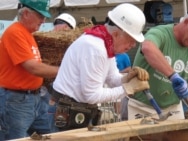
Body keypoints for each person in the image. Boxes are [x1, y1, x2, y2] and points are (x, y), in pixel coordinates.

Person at [51, 3, 150, 131]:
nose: (132, 45)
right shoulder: (95, 48)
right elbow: (92, 96)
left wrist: (127, 78)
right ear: (115, 34)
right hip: (67, 110)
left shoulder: (105, 42)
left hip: (74, 107)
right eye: (131, 40)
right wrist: (128, 88)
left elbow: (112, 78)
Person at [128, 2, 188, 122]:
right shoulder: (160, 33)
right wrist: (173, 76)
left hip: (173, 109)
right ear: (187, 22)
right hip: (141, 107)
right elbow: (148, 48)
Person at [0, 0, 59, 140]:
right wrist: (64, 70)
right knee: (16, 138)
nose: (43, 21)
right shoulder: (15, 32)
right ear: (26, 13)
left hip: (32, 97)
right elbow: (32, 67)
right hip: (16, 100)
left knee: (52, 134)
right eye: (40, 16)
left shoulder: (26, 33)